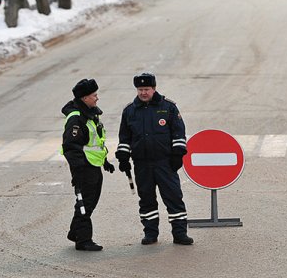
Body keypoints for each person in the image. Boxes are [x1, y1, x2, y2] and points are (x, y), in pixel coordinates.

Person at [116, 73, 193, 246]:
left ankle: (180, 233)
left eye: (147, 89)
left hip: (165, 163)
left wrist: (177, 155)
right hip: (142, 164)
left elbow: (178, 133)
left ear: (154, 88)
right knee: (146, 199)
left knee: (173, 198)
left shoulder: (168, 107)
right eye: (140, 89)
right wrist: (123, 156)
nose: (143, 93)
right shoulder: (130, 110)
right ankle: (150, 233)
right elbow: (125, 137)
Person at [61, 79, 115, 251]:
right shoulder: (76, 119)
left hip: (93, 164)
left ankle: (75, 232)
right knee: (86, 202)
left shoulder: (90, 114)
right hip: (84, 167)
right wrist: (77, 170)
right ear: (84, 98)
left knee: (91, 200)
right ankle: (83, 239)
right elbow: (71, 147)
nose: (97, 98)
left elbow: (95, 142)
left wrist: (104, 160)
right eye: (94, 95)